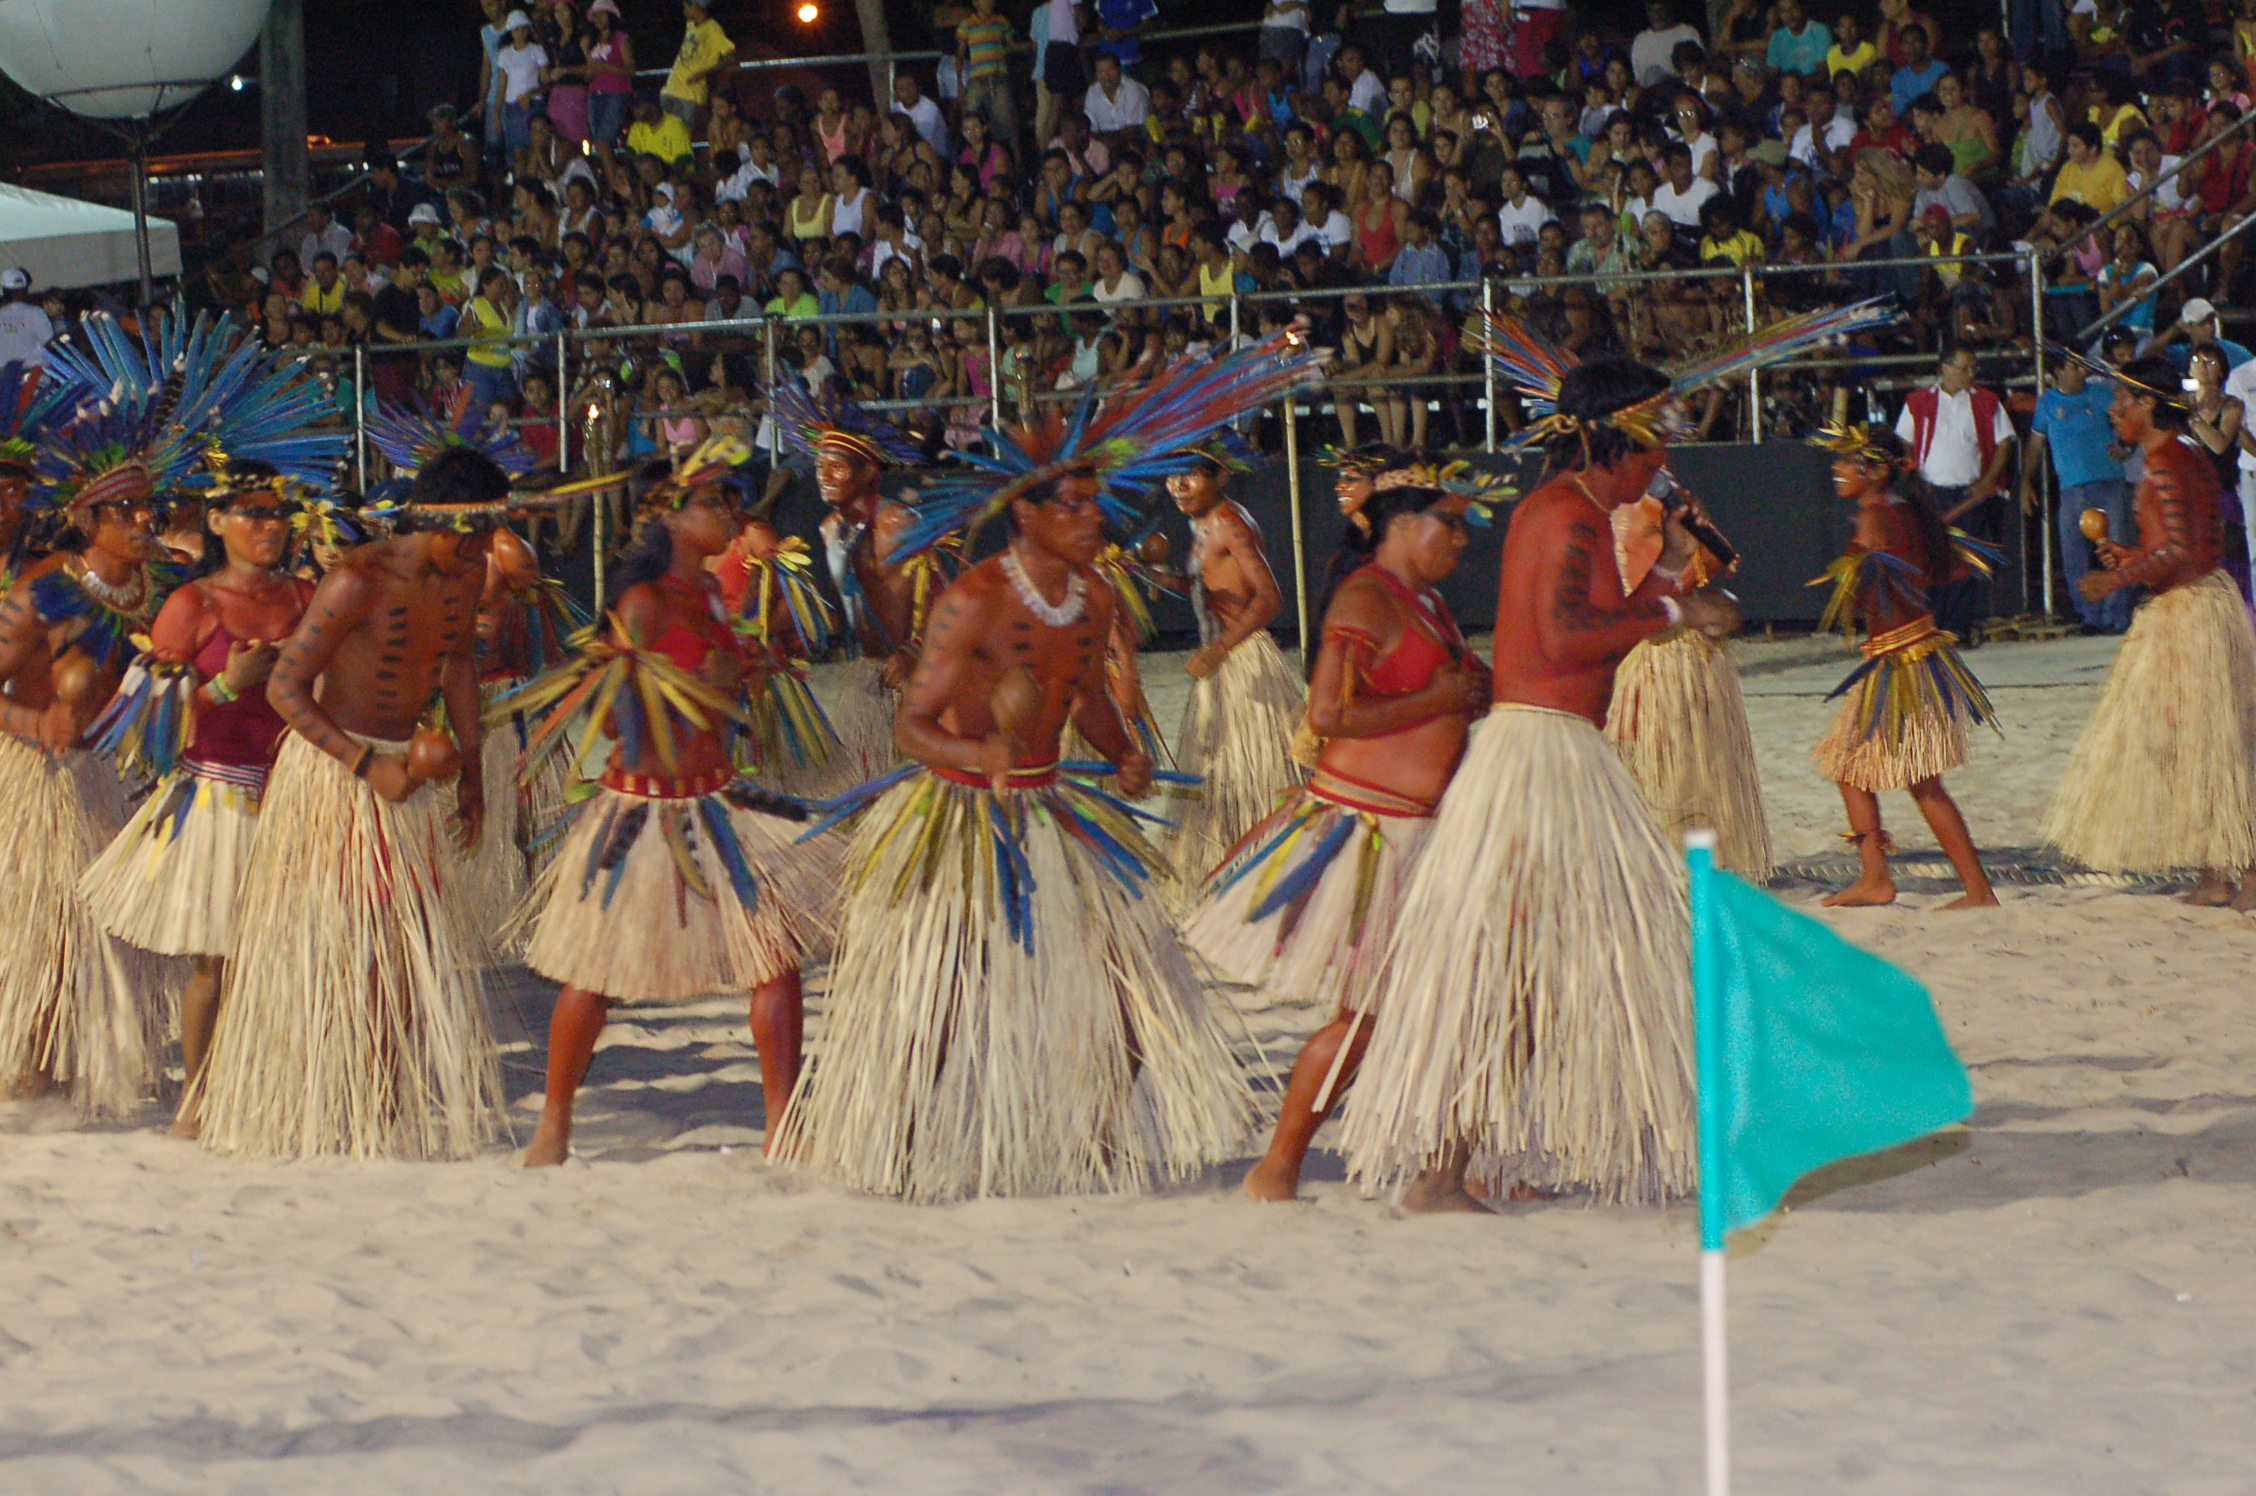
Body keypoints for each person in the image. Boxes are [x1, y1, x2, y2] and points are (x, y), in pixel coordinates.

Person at [772, 464, 1251, 1202]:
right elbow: (912, 728)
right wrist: (978, 753)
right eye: (1076, 506)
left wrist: (1122, 748)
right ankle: (895, 1145)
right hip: (961, 813)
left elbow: (1087, 693)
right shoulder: (973, 602)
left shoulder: (1091, 596)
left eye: (1097, 505)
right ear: (1027, 516)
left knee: (1133, 978)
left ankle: (1091, 1135)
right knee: (942, 993)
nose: (1095, 519)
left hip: (1049, 805)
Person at [1337, 358, 1739, 1212]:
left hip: (1555, 753)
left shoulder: (1575, 514)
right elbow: (1563, 638)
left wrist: (1668, 571)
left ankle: (1463, 1163)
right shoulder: (1564, 515)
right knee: (1515, 971)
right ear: (1611, 440)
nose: (1664, 450)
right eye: (1654, 433)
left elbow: (1595, 628)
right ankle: (1442, 1170)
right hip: (1542, 760)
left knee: (1529, 973)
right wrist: (1679, 613)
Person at [521, 451, 840, 1167]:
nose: (730, 513)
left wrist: (744, 676)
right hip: (644, 808)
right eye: (714, 501)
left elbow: (721, 691)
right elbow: (610, 723)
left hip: (719, 796)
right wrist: (704, 683)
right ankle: (556, 1124)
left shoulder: (709, 590)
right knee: (594, 976)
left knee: (775, 959)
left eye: (732, 500)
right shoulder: (640, 604)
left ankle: (782, 1125)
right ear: (667, 513)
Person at [194, 448, 510, 1160]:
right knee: (337, 944)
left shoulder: (468, 575)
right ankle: (319, 1093)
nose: (484, 551)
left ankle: (381, 1093)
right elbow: (285, 688)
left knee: (406, 945)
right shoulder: (356, 579)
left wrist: (473, 772)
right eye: (475, 534)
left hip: (408, 779)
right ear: (437, 521)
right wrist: (366, 764)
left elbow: (458, 662)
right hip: (339, 777)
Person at [1184, 473, 1487, 1203]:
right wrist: (1438, 699)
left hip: (1423, 831)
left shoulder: (1429, 603)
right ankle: (1278, 1168)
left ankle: (1433, 1169)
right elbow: (1326, 714)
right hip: (1371, 830)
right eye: (1448, 522)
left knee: (1427, 1005)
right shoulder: (1366, 598)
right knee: (1368, 1014)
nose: (1462, 538)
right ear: (1404, 526)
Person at [77, 468, 313, 1138]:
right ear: (216, 522)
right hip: (217, 793)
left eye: (279, 512)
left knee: (287, 953)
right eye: (253, 513)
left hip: (294, 793)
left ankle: (275, 1082)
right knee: (217, 957)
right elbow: (147, 728)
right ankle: (200, 1093)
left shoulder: (310, 597)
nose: (270, 525)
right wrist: (230, 686)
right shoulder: (193, 605)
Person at [2043, 356, 2256, 909]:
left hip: (2189, 612)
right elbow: (2178, 548)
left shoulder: (2165, 463)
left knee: (2210, 742)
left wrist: (2114, 577)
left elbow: (2180, 551)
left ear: (2148, 404)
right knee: (2201, 743)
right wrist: (2133, 557)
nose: (2112, 410)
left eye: (2121, 399)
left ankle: (2244, 874)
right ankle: (2218, 873)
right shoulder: (2181, 455)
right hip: (2198, 603)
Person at [0, 456, 178, 1115]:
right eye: (124, 510)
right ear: (87, 519)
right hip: (36, 771)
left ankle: (87, 1054)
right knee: (47, 922)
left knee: (109, 924)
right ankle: (32, 1063)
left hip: (110, 769)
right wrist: (32, 718)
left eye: (147, 508)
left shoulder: (158, 587)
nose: (142, 520)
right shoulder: (46, 588)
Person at [1808, 424, 2000, 909]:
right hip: (1921, 651)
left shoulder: (1875, 517)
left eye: (1846, 461)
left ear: (1874, 471)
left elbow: (1869, 594)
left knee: (1864, 772)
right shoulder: (1907, 512)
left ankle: (1887, 879)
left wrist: (1852, 573)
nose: (1837, 470)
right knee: (1907, 779)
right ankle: (1962, 886)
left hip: (1898, 660)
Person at [1603, 466, 1774, 880]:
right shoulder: (1611, 508)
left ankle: (1703, 867)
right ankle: (1659, 869)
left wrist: (1716, 605)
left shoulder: (1670, 495)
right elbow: (1627, 589)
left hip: (1693, 655)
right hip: (1650, 653)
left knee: (1699, 773)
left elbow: (1712, 566)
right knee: (1657, 776)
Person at [769, 380, 930, 786]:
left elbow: (942, 592)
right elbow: (838, 605)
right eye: (820, 466)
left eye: (836, 467)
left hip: (914, 671)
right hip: (869, 669)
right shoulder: (828, 529)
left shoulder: (896, 524)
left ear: (868, 472)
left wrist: (914, 650)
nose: (824, 476)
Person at [1164, 448, 1310, 874]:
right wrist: (1148, 573)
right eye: (1171, 477)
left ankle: (1262, 865)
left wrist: (1219, 649)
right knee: (1219, 775)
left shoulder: (1229, 521)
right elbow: (1206, 588)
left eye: (1189, 475)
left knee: (1252, 779)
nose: (1178, 486)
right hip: (1222, 662)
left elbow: (1269, 597)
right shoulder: (1202, 524)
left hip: (1244, 662)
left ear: (1220, 476)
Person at [1895, 345, 2014, 644]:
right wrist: (1913, 475)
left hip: (1968, 495)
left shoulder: (1987, 401)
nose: (1971, 373)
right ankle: (1935, 626)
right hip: (1931, 494)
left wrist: (1987, 481)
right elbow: (1905, 442)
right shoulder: (1918, 401)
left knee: (1966, 563)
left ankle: (1958, 627)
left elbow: (2004, 443)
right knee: (1932, 562)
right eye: (1965, 367)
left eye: (1974, 368)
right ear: (1945, 368)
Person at [2023, 349, 2130, 633]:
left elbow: (2128, 424)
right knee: (2075, 554)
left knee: (2116, 548)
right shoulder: (2047, 403)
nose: (2082, 371)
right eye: (2074, 366)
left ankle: (2116, 615)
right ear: (2057, 371)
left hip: (2108, 482)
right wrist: (2025, 483)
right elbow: (2035, 445)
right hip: (2072, 488)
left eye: (2083, 365)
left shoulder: (2102, 394)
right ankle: (2089, 615)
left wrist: (2124, 447)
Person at [660, 0, 734, 126]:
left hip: (690, 93)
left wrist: (702, 74)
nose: (684, 11)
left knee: (681, 134)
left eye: (686, 7)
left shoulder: (712, 28)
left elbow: (730, 57)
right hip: (671, 88)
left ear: (695, 6)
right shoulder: (691, 26)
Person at [0, 268, 53, 369]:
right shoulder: (36, 313)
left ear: (4, 290)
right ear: (25, 290)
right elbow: (49, 342)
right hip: (35, 375)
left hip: (6, 376)